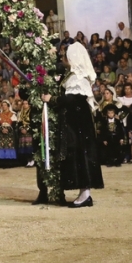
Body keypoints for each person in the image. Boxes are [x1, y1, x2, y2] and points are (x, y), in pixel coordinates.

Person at [41, 43, 104, 207]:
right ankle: (83, 193)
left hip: (78, 125)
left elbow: (72, 99)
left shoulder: (78, 77)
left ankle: (85, 195)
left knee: (80, 154)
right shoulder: (72, 75)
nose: (62, 59)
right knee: (77, 155)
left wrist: (52, 100)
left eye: (65, 56)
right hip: (75, 122)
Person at [16, 101, 34, 166]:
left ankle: (31, 159)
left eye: (26, 103)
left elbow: (32, 122)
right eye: (23, 104)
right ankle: (27, 160)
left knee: (29, 146)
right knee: (24, 147)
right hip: (22, 131)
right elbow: (19, 122)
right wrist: (21, 129)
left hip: (29, 131)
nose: (24, 105)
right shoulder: (21, 112)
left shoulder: (31, 112)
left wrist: (27, 129)